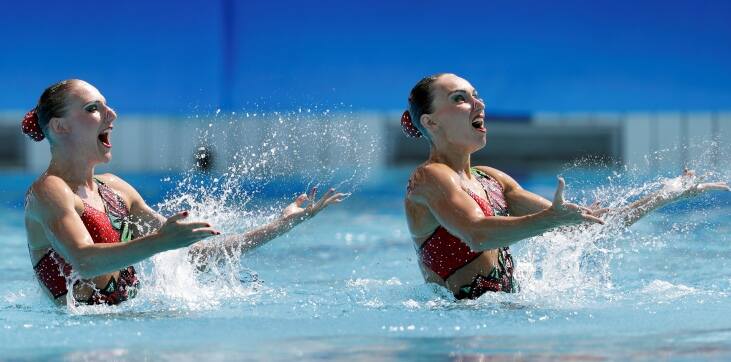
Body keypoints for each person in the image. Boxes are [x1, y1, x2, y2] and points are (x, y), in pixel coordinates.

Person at [402, 73, 730, 300]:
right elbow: (477, 232)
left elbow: (592, 224)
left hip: (502, 322)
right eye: (460, 99)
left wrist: (668, 194)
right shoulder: (428, 178)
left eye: (476, 95)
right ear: (430, 122)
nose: (478, 104)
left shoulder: (492, 180)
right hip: (459, 333)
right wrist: (549, 220)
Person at [23, 79, 345, 305]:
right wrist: (161, 241)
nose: (112, 115)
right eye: (94, 108)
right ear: (60, 126)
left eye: (107, 106)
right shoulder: (48, 191)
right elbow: (84, 261)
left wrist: (279, 226)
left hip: (125, 329)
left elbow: (191, 255)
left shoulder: (117, 189)